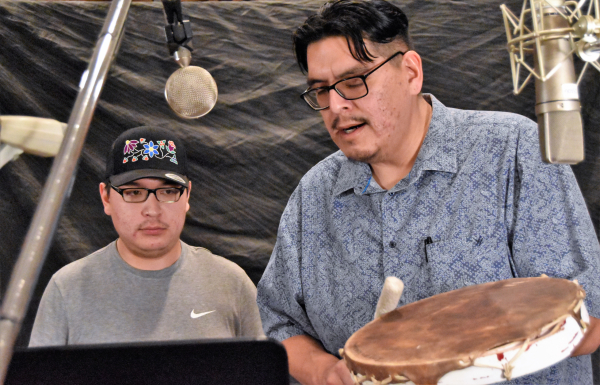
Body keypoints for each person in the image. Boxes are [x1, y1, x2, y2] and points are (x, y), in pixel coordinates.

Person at [256, 1, 600, 384]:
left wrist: (440, 356)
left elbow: (590, 317)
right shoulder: (313, 196)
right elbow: (279, 324)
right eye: (321, 91)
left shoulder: (513, 150)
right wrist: (325, 372)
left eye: (355, 82)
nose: (336, 106)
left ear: (410, 72)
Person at [30, 126, 263, 346]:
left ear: (187, 195)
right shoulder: (67, 289)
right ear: (106, 198)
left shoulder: (231, 284)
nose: (152, 209)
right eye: (133, 192)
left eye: (168, 191)